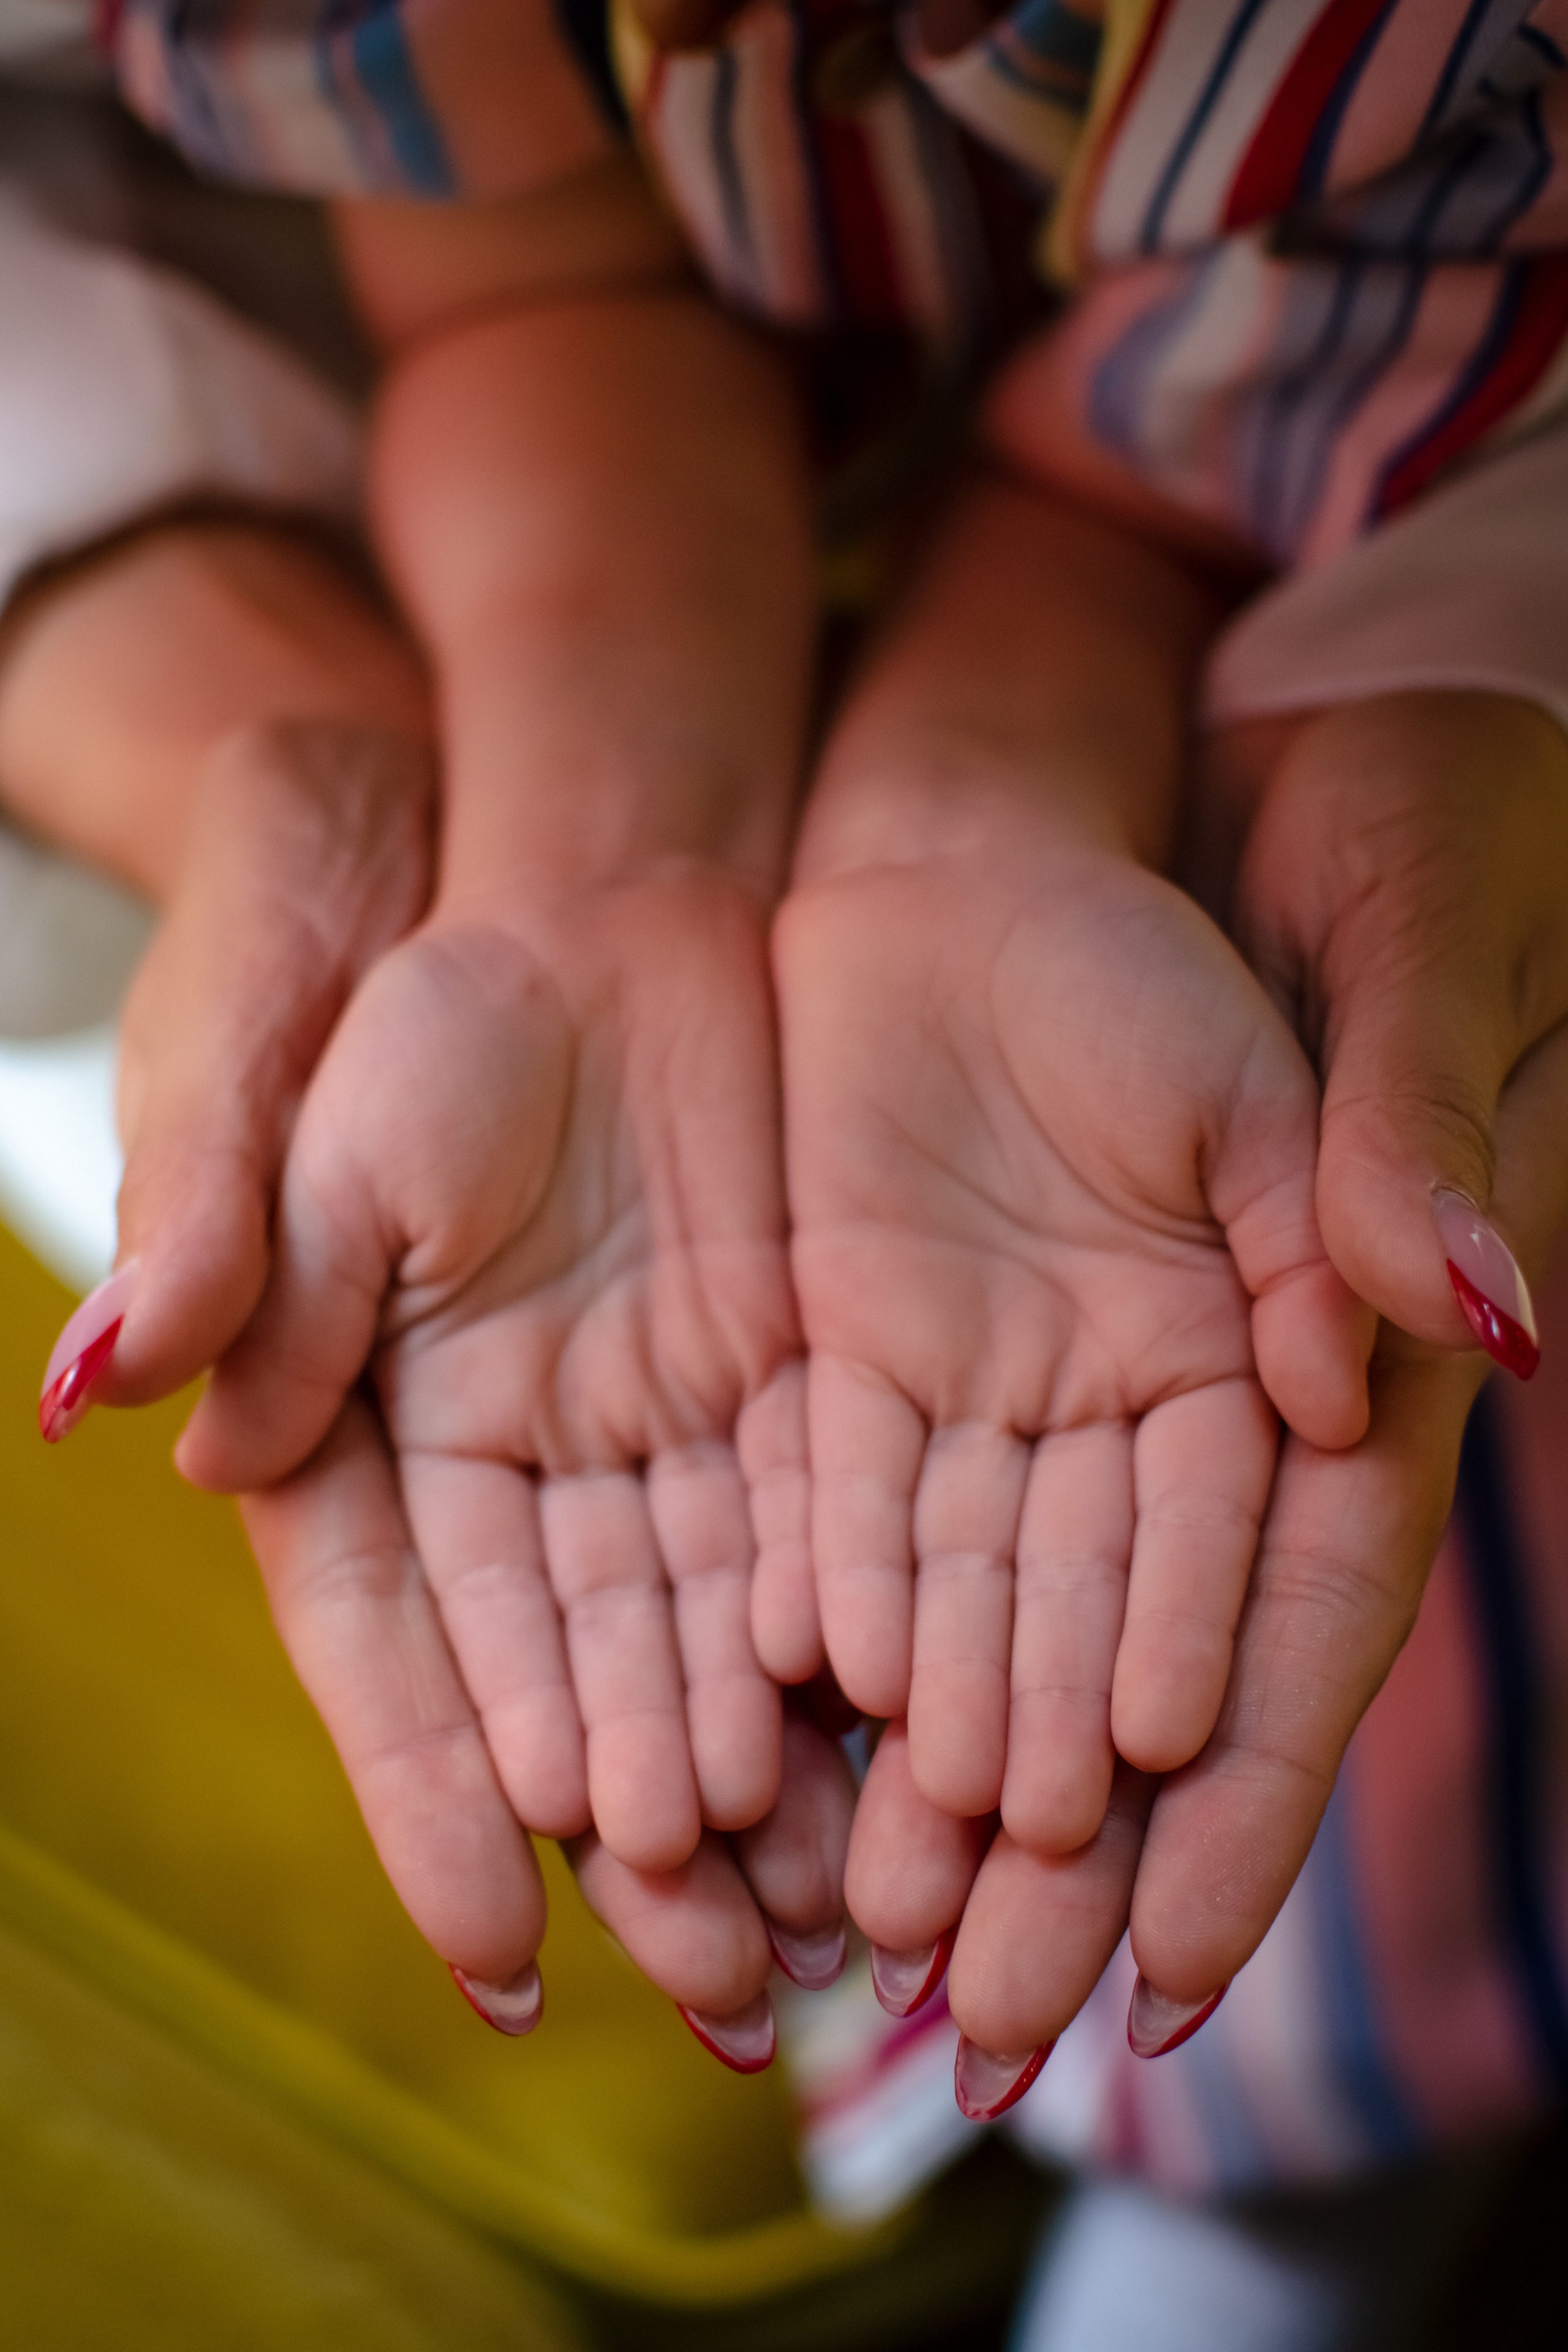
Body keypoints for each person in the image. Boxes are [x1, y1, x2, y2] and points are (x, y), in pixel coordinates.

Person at [9, 0, 1568, 2149]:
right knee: (1089, 1633)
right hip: (513, 548)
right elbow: (535, 272)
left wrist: (985, 774)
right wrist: (592, 832)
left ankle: (1319, 2151)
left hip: (1367, 529)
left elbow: (1301, 390)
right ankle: (1202, 2161)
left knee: (1339, 1580)